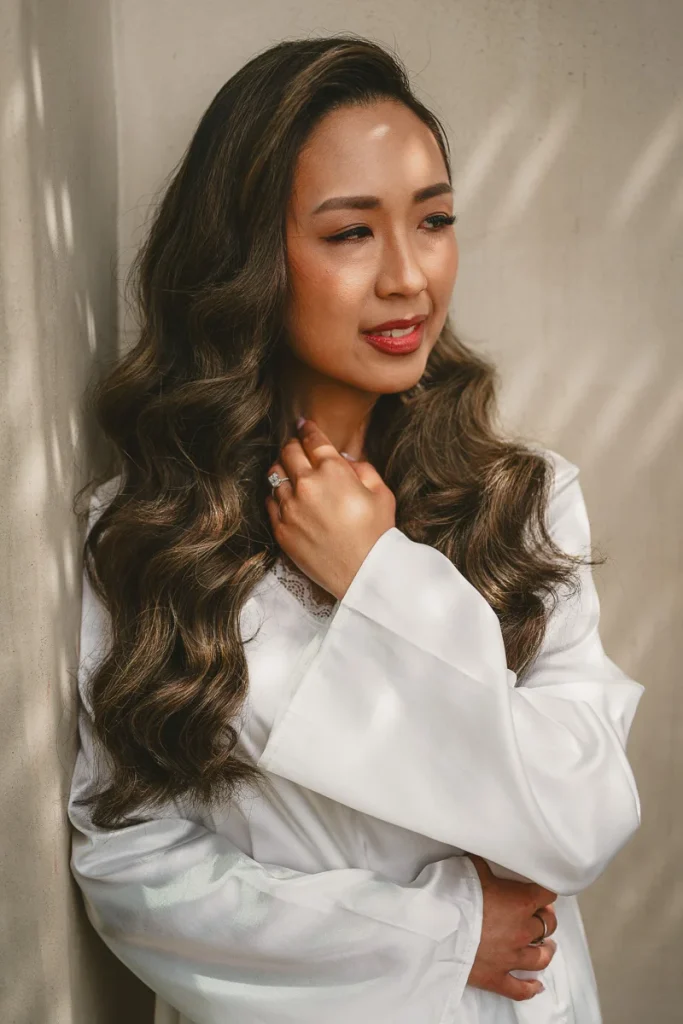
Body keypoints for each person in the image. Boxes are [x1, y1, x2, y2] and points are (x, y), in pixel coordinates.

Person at [67, 34, 644, 1024]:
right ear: (250, 258)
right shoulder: (149, 536)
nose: (408, 276)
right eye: (349, 233)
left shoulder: (521, 500)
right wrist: (440, 934)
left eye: (434, 220)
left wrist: (381, 576)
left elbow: (579, 819)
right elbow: (133, 867)